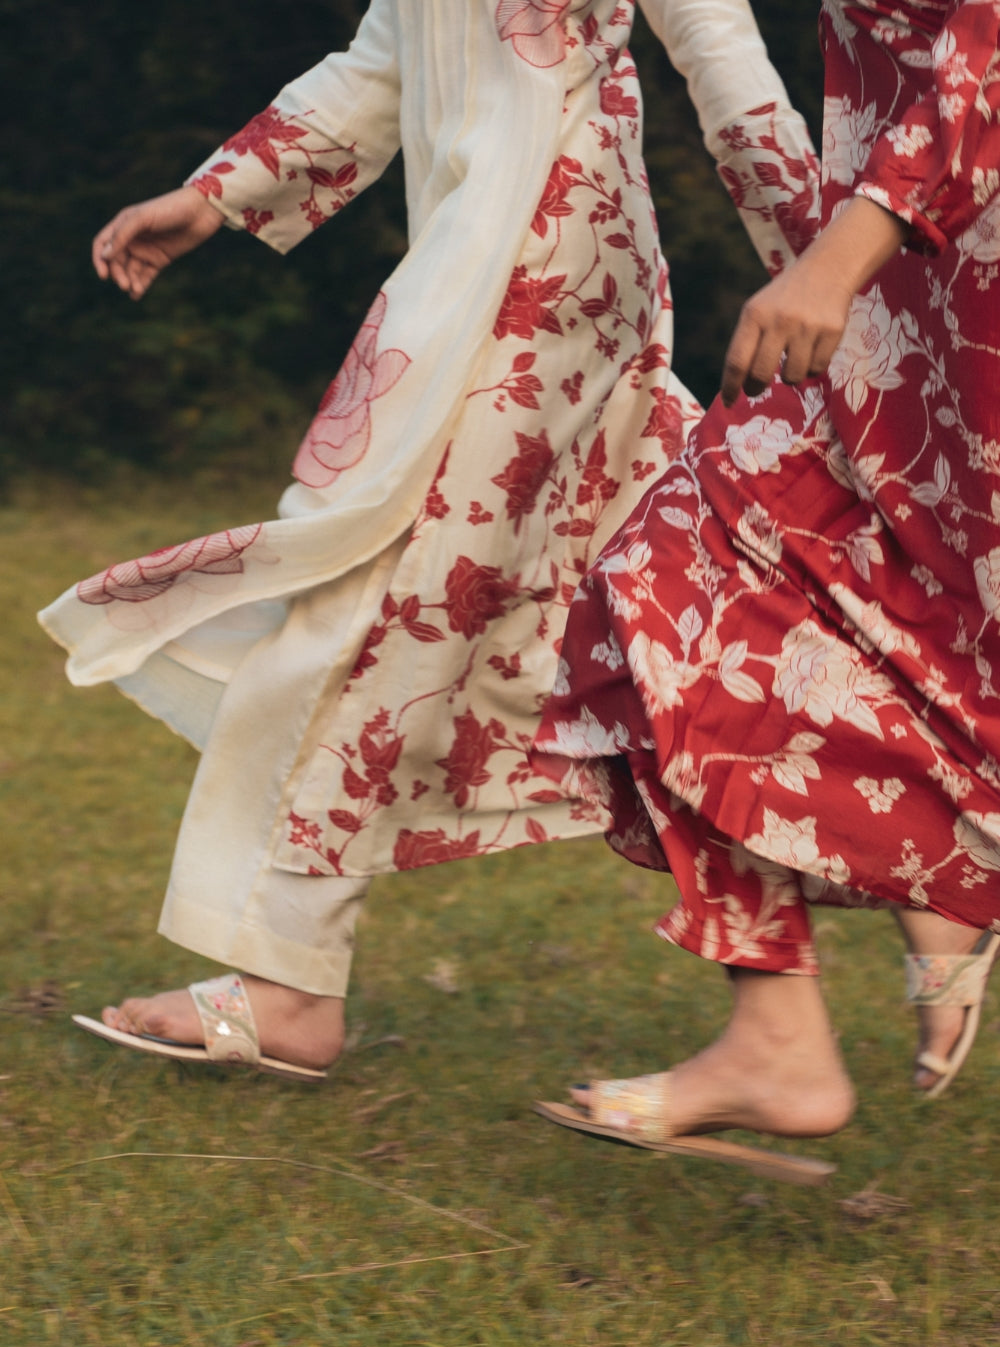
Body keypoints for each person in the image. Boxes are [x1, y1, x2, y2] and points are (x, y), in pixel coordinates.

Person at [40, 0, 818, 1081]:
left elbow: (723, 60)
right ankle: (854, 935)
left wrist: (832, 274)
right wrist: (216, 194)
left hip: (548, 283)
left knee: (364, 589)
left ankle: (287, 986)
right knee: (655, 614)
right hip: (476, 271)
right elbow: (383, 61)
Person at [532, 0, 1000, 1182]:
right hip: (911, 305)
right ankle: (777, 1036)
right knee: (673, 566)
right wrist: (823, 255)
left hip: (942, 283)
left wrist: (832, 261)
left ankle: (948, 870)